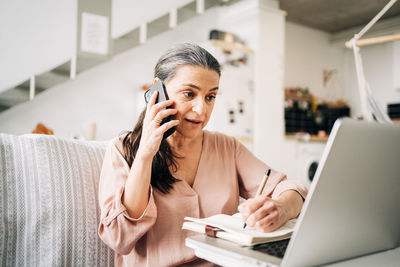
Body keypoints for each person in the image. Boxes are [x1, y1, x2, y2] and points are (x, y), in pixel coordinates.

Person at [98, 43, 307, 266]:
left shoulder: (226, 147)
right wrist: (145, 155)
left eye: (210, 97)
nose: (202, 110)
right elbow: (118, 239)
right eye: (189, 94)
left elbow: (291, 189)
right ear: (157, 91)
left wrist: (282, 209)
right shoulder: (123, 150)